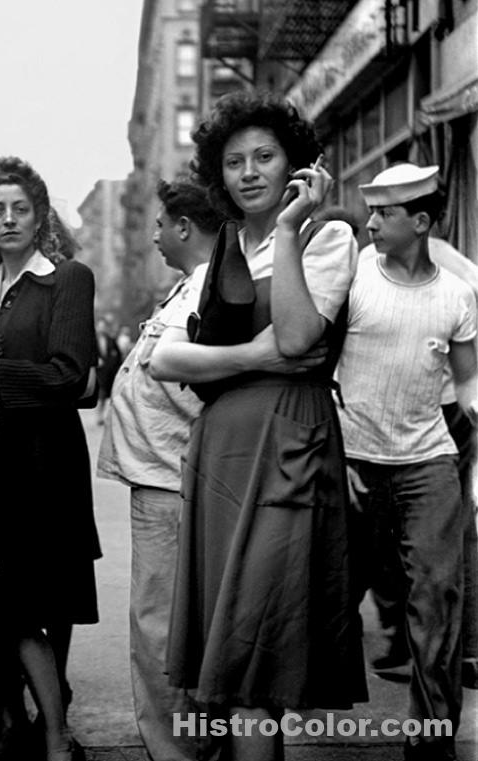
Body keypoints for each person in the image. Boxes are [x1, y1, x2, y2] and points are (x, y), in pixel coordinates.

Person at [150, 90, 366, 761]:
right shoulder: (222, 253)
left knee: (253, 651)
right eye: (235, 159)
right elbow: (162, 356)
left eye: (264, 156)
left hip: (289, 446)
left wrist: (290, 230)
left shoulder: (326, 236)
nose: (249, 171)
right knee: (238, 671)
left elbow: (299, 335)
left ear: (295, 165)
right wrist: (252, 354)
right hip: (221, 456)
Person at [337, 163, 477, 761]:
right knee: (325, 599)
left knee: (436, 603)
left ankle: (432, 745)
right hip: (351, 463)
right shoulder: (350, 278)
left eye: (384, 214)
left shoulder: (456, 293)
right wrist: (329, 452)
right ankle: (265, 730)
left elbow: (467, 384)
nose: (370, 223)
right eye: (370, 211)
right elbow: (315, 368)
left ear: (420, 222)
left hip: (427, 463)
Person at [0, 155, 99, 761]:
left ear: (40, 215)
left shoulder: (66, 279)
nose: (9, 219)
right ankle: (18, 712)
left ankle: (50, 724)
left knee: (39, 593)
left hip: (44, 459)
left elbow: (70, 376)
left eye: (21, 208)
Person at [97, 176, 223, 761]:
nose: (152, 236)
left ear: (183, 227)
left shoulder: (203, 289)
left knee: (160, 630)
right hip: (164, 478)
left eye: (159, 224)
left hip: (170, 482)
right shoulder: (188, 289)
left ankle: (177, 751)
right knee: (173, 628)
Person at [95, 315, 122, 424]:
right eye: (100, 326)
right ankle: (99, 416)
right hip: (99, 373)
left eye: (103, 326)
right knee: (101, 395)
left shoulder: (111, 339)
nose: (102, 328)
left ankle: (106, 416)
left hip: (110, 372)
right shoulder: (92, 340)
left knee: (109, 396)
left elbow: (118, 354)